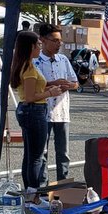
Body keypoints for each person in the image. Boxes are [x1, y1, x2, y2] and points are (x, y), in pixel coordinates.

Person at [11, 30, 65, 199]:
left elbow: (33, 89)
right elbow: (29, 97)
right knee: (36, 157)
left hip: (30, 111)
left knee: (30, 155)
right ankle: (33, 195)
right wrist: (50, 93)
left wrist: (50, 86)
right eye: (38, 45)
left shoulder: (27, 64)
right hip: (34, 111)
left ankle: (30, 193)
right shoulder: (28, 68)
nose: (40, 49)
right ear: (31, 47)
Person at [35, 22, 78, 184]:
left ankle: (64, 186)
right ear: (43, 40)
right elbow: (30, 85)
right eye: (54, 40)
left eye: (60, 41)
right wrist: (53, 83)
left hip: (62, 112)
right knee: (42, 153)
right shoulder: (36, 60)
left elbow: (75, 83)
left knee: (63, 153)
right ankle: (42, 187)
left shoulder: (63, 59)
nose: (58, 44)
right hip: (42, 112)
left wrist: (69, 85)